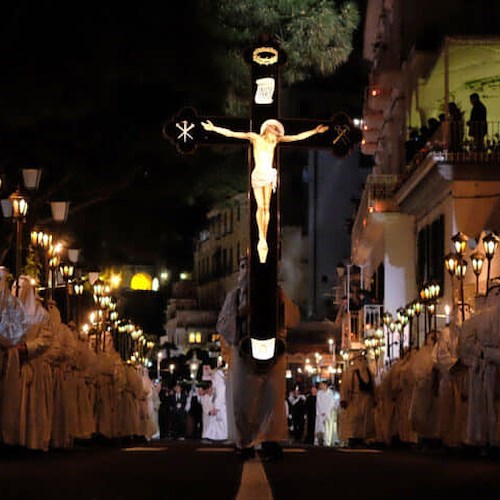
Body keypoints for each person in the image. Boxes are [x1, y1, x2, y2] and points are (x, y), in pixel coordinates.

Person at [201, 119, 329, 263]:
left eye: (275, 130)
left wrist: (315, 131)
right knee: (260, 206)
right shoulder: (255, 138)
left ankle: (264, 237)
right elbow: (233, 134)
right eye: (272, 129)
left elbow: (296, 137)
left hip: (268, 174)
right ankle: (261, 237)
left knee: (266, 207)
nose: (274, 132)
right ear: (266, 129)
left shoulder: (274, 141)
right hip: (258, 175)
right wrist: (213, 129)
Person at [315, 381, 336, 446]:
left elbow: (331, 404)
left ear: (325, 385)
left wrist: (326, 411)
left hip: (328, 413)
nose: (320, 386)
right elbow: (318, 403)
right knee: (320, 427)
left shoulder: (330, 393)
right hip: (320, 413)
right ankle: (319, 439)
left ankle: (327, 441)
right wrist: (321, 411)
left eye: (322, 385)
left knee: (327, 427)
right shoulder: (319, 393)